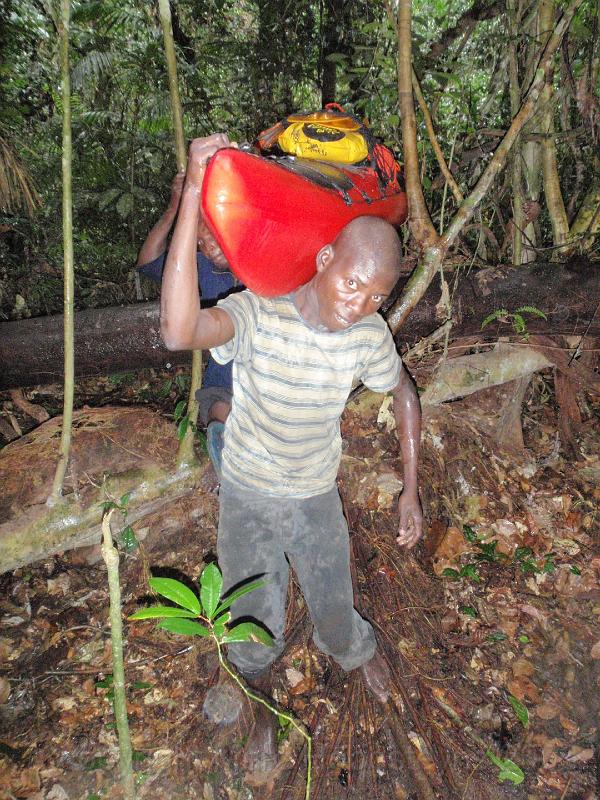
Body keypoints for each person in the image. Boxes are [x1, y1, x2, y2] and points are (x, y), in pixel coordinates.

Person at [161, 133, 424, 773]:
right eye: (355, 284)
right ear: (326, 257)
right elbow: (178, 330)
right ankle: (257, 698)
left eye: (378, 297)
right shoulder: (259, 311)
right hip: (249, 490)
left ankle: (355, 655)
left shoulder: (365, 334)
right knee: (255, 617)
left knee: (335, 602)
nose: (361, 304)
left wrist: (412, 487)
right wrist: (195, 188)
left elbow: (405, 393)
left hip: (314, 493)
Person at [136, 170, 237, 470]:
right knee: (218, 389)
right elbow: (148, 260)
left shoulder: (262, 260)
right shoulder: (203, 267)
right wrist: (175, 207)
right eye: (202, 243)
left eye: (215, 236)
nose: (210, 248)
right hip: (228, 376)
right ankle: (222, 437)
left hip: (271, 368)